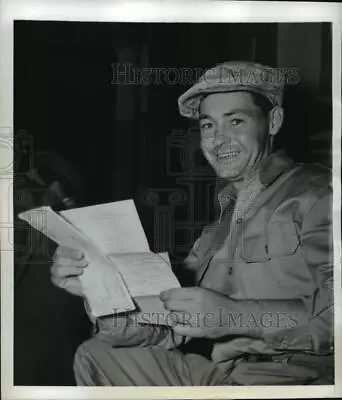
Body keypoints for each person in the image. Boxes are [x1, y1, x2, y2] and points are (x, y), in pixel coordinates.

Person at [51, 61, 334, 385]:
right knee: (97, 354)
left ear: (273, 121)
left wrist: (233, 317)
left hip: (296, 381)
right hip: (222, 377)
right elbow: (172, 324)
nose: (218, 140)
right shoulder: (218, 229)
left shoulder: (316, 194)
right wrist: (100, 286)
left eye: (236, 121)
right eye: (208, 126)